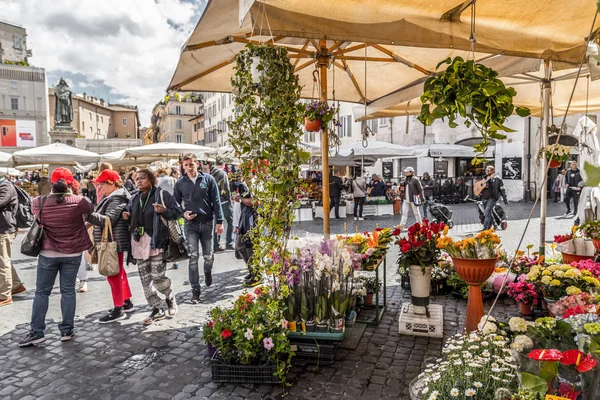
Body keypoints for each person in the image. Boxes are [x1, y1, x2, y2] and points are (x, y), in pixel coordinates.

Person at [19, 168, 94, 347]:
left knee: (42, 292)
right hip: (73, 253)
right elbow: (90, 207)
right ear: (71, 183)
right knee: (68, 291)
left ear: (51, 184)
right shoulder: (80, 201)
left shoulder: (39, 202)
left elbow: (35, 214)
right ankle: (67, 330)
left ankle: (37, 332)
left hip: (48, 253)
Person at [123, 169, 181, 325]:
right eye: (137, 179)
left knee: (157, 276)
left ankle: (169, 297)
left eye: (142, 178)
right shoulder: (134, 199)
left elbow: (177, 212)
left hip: (156, 242)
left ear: (151, 179)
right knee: (145, 280)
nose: (139, 181)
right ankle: (157, 307)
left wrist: (165, 211)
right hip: (138, 244)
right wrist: (127, 216)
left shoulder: (161, 194)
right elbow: (130, 216)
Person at [174, 154, 224, 304]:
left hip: (207, 222)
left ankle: (208, 271)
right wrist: (183, 213)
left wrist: (219, 221)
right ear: (183, 166)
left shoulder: (208, 179)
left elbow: (216, 201)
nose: (189, 167)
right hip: (191, 225)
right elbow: (175, 204)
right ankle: (195, 291)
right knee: (193, 257)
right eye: (186, 165)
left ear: (197, 164)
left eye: (192, 164)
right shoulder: (180, 183)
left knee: (208, 256)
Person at [86, 169, 135, 323]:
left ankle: (118, 308)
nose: (99, 187)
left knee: (113, 274)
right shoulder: (113, 197)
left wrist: (87, 214)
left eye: (102, 184)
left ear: (112, 183)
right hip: (114, 241)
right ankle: (126, 302)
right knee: (118, 272)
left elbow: (108, 219)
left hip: (114, 242)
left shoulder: (117, 198)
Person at [0, 175, 25, 307]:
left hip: (4, 229)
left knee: (2, 262)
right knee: (4, 260)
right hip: (3, 228)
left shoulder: (5, 186)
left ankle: (4, 295)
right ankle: (15, 285)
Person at [233, 180, 259, 286]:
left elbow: (256, 202)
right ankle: (252, 270)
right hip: (243, 220)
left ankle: (256, 274)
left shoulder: (257, 182)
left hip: (251, 221)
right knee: (240, 246)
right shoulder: (245, 183)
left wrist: (240, 199)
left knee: (250, 247)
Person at [211, 159, 234, 251]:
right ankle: (229, 242)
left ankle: (216, 245)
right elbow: (225, 189)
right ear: (224, 164)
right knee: (231, 221)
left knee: (218, 222)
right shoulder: (222, 174)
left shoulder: (211, 173)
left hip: (215, 202)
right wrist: (229, 199)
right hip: (224, 201)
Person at [479, 165, 508, 230]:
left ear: (493, 171)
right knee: (489, 212)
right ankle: (495, 225)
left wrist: (505, 199)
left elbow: (502, 190)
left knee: (486, 213)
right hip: (484, 198)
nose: (486, 171)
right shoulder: (484, 178)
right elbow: (480, 188)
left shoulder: (498, 179)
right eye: (486, 170)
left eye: (488, 170)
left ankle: (485, 228)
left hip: (492, 198)